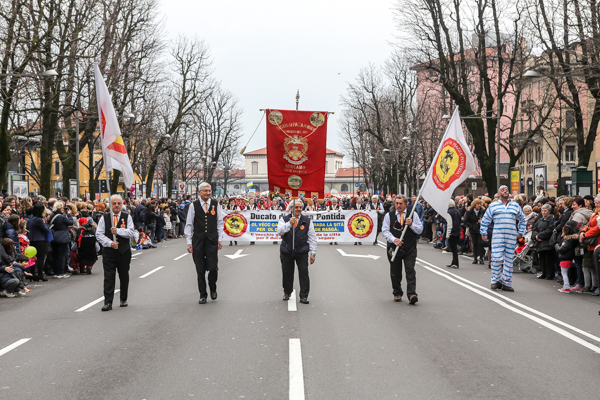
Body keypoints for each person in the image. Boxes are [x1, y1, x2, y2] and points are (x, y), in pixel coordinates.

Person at [480, 186, 526, 292]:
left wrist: (521, 232)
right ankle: (495, 281)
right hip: (498, 235)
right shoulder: (493, 205)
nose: (505, 191)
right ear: (499, 193)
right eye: (502, 190)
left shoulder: (515, 205)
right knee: (496, 258)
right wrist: (484, 232)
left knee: (509, 260)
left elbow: (523, 219)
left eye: (506, 190)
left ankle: (506, 282)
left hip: (511, 236)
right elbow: (485, 219)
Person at [185, 182, 224, 304]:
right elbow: (189, 224)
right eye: (205, 191)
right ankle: (202, 294)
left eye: (209, 191)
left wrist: (219, 239)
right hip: (198, 240)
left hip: (212, 240)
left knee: (213, 268)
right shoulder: (193, 206)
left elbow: (219, 222)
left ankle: (213, 288)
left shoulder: (215, 204)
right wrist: (189, 242)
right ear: (199, 192)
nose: (208, 193)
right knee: (200, 269)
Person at [96, 194, 135, 311]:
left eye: (119, 203)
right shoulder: (105, 218)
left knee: (124, 275)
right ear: (111, 205)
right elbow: (99, 234)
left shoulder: (127, 217)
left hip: (123, 252)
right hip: (109, 252)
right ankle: (108, 302)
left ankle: (123, 298)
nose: (117, 206)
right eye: (114, 203)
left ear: (122, 204)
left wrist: (118, 231)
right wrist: (110, 243)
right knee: (108, 276)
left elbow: (130, 232)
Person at [381, 195, 423, 304]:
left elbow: (420, 230)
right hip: (394, 248)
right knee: (395, 272)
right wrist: (394, 239)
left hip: (409, 248)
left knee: (410, 270)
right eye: (397, 203)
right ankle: (397, 293)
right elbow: (385, 231)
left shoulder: (413, 214)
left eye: (400, 203)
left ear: (405, 204)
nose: (398, 206)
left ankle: (412, 294)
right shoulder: (389, 216)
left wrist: (412, 224)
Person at [276, 199, 317, 304]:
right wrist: (289, 224)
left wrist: (313, 253)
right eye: (296, 207)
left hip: (301, 251)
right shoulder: (284, 219)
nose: (298, 209)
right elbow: (279, 232)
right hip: (287, 250)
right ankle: (287, 292)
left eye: (300, 207)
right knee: (287, 273)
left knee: (304, 273)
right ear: (291, 208)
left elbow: (312, 237)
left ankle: (304, 296)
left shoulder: (307, 220)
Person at [532, 204, 556, 280]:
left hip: (547, 242)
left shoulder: (552, 219)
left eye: (545, 211)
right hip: (540, 242)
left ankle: (549, 274)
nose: (543, 212)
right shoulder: (540, 219)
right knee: (542, 259)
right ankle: (544, 273)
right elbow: (534, 229)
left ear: (549, 211)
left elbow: (550, 230)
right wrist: (536, 236)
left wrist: (540, 236)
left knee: (548, 259)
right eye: (542, 210)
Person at [465, 199, 485, 264]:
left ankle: (481, 258)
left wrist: (482, 221)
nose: (479, 205)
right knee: (474, 244)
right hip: (473, 230)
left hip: (480, 229)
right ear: (474, 204)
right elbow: (466, 221)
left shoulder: (482, 211)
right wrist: (471, 226)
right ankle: (475, 258)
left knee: (480, 243)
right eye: (478, 204)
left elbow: (486, 218)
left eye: (480, 204)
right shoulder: (469, 211)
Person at [446, 199, 462, 269]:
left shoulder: (449, 212)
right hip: (457, 231)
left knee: (454, 249)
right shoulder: (457, 211)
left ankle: (455, 262)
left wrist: (448, 234)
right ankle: (453, 262)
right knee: (454, 248)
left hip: (452, 232)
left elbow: (449, 224)